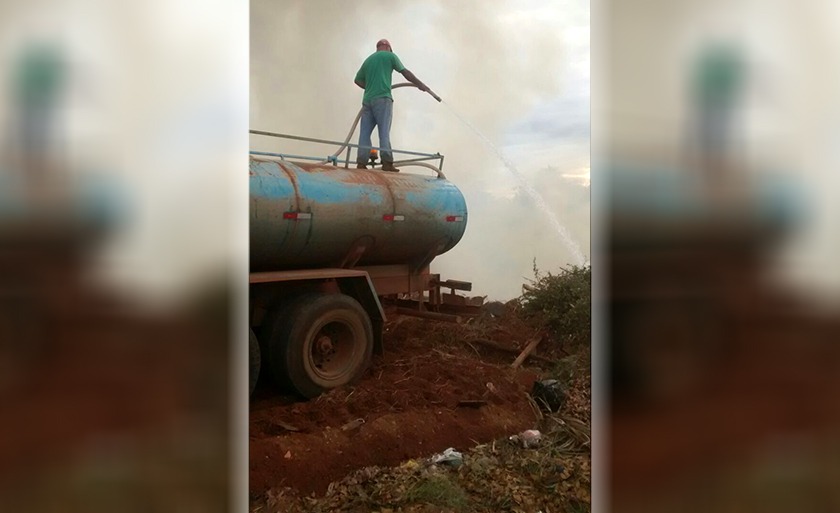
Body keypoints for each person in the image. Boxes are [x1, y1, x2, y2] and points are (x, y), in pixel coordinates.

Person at [354, 38, 432, 172]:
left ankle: (361, 163)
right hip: (383, 99)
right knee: (384, 132)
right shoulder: (390, 56)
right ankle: (387, 162)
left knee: (364, 133)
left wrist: (371, 87)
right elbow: (405, 72)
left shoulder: (368, 60)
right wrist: (420, 84)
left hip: (367, 101)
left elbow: (357, 80)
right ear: (389, 48)